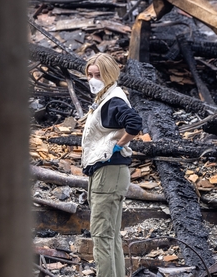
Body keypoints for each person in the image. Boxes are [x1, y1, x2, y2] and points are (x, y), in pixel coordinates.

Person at [81, 53, 142, 277]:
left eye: (99, 75)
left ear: (110, 75)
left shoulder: (113, 100)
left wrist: (119, 144)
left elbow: (134, 123)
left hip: (108, 172)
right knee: (111, 236)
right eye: (90, 74)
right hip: (112, 174)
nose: (93, 79)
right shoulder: (107, 97)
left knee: (101, 236)